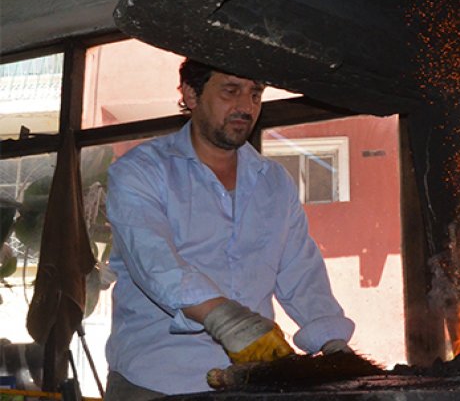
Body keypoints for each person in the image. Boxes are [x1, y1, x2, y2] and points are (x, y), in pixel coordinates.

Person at [102, 59, 354, 399]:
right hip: (157, 380)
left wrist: (331, 339)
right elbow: (155, 262)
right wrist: (224, 318)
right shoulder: (140, 172)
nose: (245, 106)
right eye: (231, 91)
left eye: (255, 94)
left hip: (254, 382)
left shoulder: (274, 182)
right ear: (191, 94)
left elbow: (300, 270)